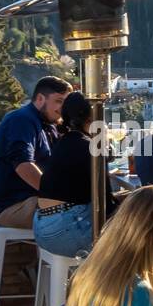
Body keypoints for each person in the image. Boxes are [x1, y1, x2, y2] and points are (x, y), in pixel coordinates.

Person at [0, 76, 72, 228]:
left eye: (66, 103)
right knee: (80, 213)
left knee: (89, 203)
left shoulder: (49, 124)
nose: (62, 108)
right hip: (11, 205)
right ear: (40, 98)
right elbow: (23, 164)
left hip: (31, 198)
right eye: (58, 101)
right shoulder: (21, 119)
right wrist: (55, 192)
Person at [34, 91, 111, 259]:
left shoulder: (63, 142)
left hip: (40, 227)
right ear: (93, 119)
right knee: (132, 238)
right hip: (65, 230)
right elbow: (105, 202)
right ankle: (131, 285)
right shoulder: (90, 147)